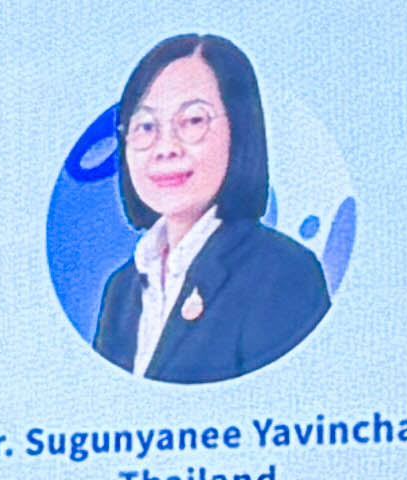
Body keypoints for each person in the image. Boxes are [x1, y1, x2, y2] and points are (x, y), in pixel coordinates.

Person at [87, 33, 332, 384]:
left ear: (240, 128)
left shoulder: (283, 273)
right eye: (146, 126)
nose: (166, 148)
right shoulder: (121, 289)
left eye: (193, 121)